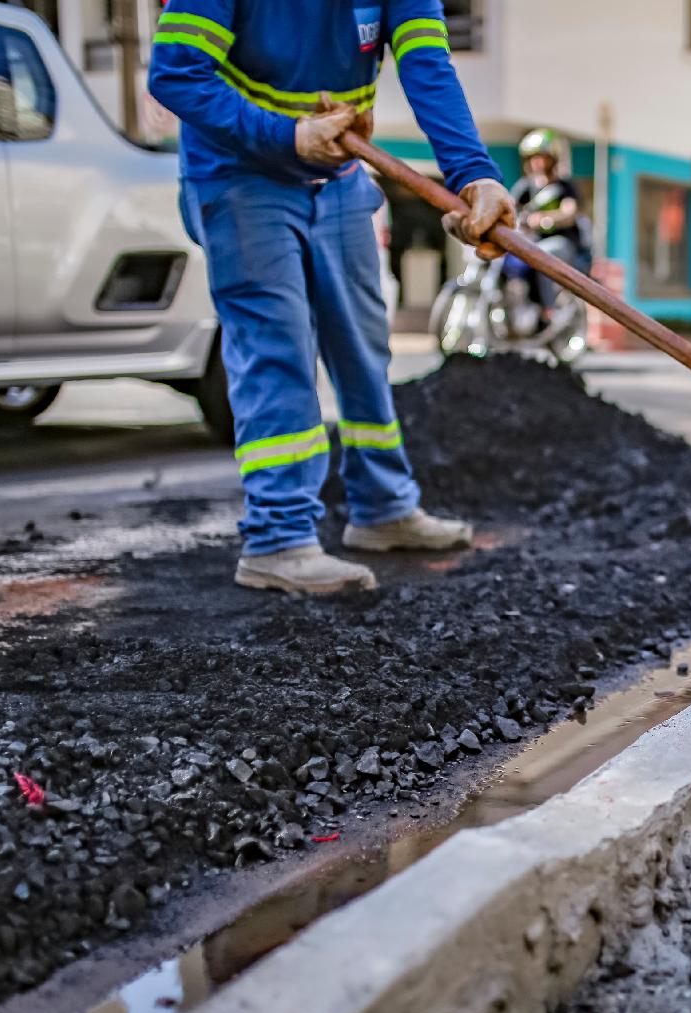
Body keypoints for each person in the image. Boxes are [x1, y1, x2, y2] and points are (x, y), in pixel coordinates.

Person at [148, 0, 516, 595]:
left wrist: (473, 176)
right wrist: (287, 135)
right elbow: (175, 73)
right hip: (241, 175)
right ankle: (278, 540)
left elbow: (428, 64)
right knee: (280, 351)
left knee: (363, 345)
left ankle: (382, 507)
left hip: (339, 176)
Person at [509, 128, 589, 322]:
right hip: (531, 241)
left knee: (540, 255)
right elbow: (511, 206)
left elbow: (569, 212)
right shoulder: (525, 186)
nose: (536, 163)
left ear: (552, 158)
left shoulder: (564, 186)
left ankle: (549, 311)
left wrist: (546, 218)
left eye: (541, 157)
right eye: (532, 158)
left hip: (563, 243)